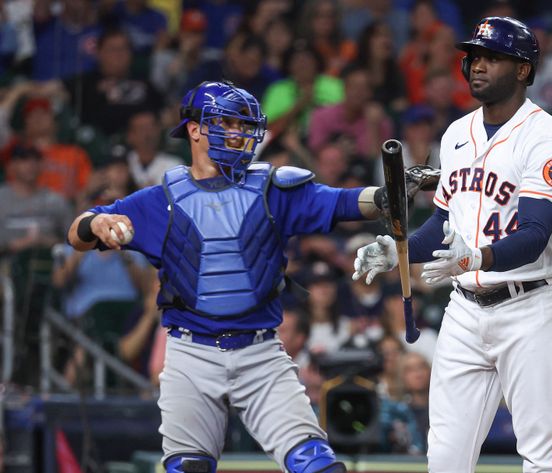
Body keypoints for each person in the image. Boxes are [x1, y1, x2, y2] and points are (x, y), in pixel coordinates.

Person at [65, 81, 432, 473]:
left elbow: (340, 201)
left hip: (260, 353)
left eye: (245, 126)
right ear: (194, 129)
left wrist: (386, 196)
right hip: (191, 353)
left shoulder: (272, 188)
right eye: (229, 123)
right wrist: (98, 221)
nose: (239, 134)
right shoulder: (160, 200)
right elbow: (77, 233)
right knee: (188, 467)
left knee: (317, 465)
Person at [353, 17, 552, 473]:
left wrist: (476, 257)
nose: (478, 65)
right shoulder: (457, 133)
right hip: (465, 309)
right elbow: (442, 222)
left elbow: (535, 236)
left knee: (542, 458)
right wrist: (396, 247)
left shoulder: (549, 141)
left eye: (492, 57)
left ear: (523, 70)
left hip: (533, 307)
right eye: (474, 56)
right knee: (445, 457)